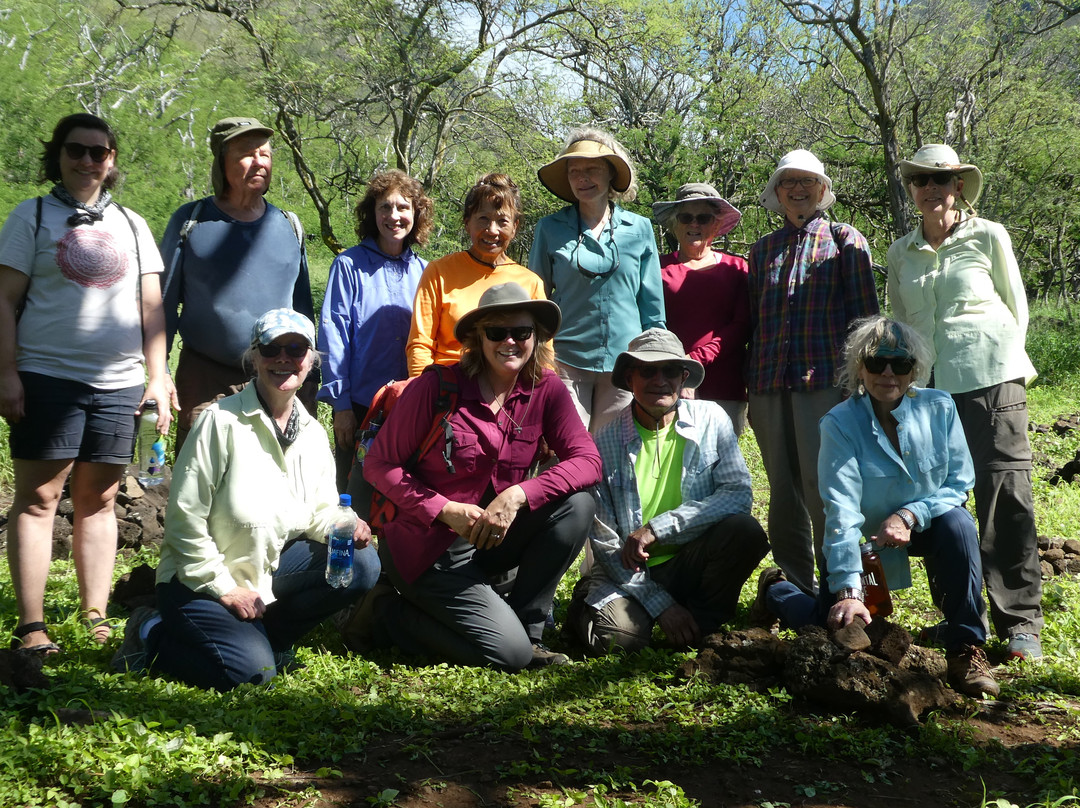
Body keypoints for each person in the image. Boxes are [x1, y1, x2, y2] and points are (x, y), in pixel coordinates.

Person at [112, 309, 379, 690]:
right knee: (252, 677)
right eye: (271, 348)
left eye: (296, 348)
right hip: (197, 580)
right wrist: (225, 588)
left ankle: (269, 640)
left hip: (265, 571)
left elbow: (320, 512)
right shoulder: (219, 422)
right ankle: (150, 631)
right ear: (254, 357)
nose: (283, 358)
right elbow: (183, 520)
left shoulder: (312, 433)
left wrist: (345, 525)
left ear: (311, 361)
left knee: (362, 562)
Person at [752, 316, 999, 698]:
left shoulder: (940, 408)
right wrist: (849, 590)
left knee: (959, 525)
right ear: (859, 368)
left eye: (900, 364)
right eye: (876, 362)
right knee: (833, 626)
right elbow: (841, 509)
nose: (888, 373)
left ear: (914, 370)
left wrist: (910, 514)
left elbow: (959, 483)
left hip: (923, 524)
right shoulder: (839, 423)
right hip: (861, 541)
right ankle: (776, 589)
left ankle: (967, 647)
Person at [0, 113, 174, 654]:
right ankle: (33, 626)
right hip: (46, 374)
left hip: (120, 383)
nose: (87, 161)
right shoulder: (30, 217)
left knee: (99, 498)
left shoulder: (134, 225)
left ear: (112, 161)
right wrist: (5, 372)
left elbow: (151, 309)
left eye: (99, 153)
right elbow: (5, 300)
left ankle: (95, 616)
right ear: (58, 154)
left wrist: (158, 376)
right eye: (76, 150)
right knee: (38, 498)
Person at [361, 283, 601, 670]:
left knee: (578, 504)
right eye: (496, 332)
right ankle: (386, 613)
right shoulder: (438, 386)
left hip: (493, 537)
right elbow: (379, 465)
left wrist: (521, 493)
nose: (510, 341)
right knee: (509, 655)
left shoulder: (546, 389)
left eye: (521, 332)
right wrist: (443, 509)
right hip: (427, 547)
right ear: (477, 338)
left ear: (535, 337)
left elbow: (588, 460)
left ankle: (528, 629)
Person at [887, 144, 1043, 660]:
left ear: (958, 186)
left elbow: (1015, 307)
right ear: (911, 190)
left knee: (1004, 493)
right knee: (939, 499)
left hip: (991, 378)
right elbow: (899, 324)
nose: (931, 188)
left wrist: (1003, 367)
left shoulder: (988, 235)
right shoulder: (900, 251)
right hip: (929, 391)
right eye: (921, 181)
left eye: (942, 179)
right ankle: (962, 616)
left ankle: (1019, 620)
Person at [566, 329, 769, 654]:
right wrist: (661, 605)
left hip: (692, 559)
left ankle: (703, 623)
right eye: (648, 370)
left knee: (745, 531)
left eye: (670, 370)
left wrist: (657, 529)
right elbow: (606, 543)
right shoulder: (604, 442)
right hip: (630, 572)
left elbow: (738, 495)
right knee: (621, 639)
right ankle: (590, 606)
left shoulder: (712, 419)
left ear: (683, 377)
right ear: (630, 378)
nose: (660, 380)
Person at [747, 149, 879, 595]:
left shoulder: (845, 240)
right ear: (777, 193)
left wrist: (861, 387)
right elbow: (755, 321)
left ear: (822, 190)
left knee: (825, 486)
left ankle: (842, 584)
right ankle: (798, 587)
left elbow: (866, 322)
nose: (798, 189)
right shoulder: (761, 250)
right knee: (782, 490)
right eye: (788, 182)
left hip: (824, 382)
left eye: (807, 181)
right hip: (767, 383)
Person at [160, 116, 317, 451]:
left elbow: (303, 312)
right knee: (203, 482)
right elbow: (163, 304)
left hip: (277, 378)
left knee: (276, 482)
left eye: (265, 153)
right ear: (221, 162)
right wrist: (159, 372)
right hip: (206, 379)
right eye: (247, 153)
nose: (259, 161)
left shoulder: (288, 226)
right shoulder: (192, 221)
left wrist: (310, 379)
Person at [530, 127, 665, 434]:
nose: (582, 178)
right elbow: (536, 298)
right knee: (564, 453)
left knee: (615, 453)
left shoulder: (640, 229)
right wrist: (538, 356)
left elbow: (652, 308)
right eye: (574, 172)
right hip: (564, 360)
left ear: (609, 175)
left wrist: (655, 361)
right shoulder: (550, 228)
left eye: (591, 169)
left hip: (625, 364)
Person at [318, 169, 433, 492]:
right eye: (385, 207)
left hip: (411, 410)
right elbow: (333, 335)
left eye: (403, 207)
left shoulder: (426, 273)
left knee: (403, 500)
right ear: (372, 212)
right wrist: (341, 407)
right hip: (358, 407)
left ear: (416, 213)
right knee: (354, 500)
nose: (394, 216)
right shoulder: (348, 265)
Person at [405, 173, 543, 376]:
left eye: (502, 221)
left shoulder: (530, 283)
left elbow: (543, 353)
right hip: (448, 389)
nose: (492, 230)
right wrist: (423, 392)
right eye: (483, 219)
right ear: (467, 222)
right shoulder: (439, 272)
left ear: (515, 227)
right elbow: (420, 344)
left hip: (508, 393)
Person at [652, 183, 750, 433]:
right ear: (675, 225)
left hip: (724, 384)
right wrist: (678, 368)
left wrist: (694, 361)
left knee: (721, 464)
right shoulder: (656, 268)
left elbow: (742, 326)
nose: (693, 224)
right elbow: (650, 324)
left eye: (703, 218)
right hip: (666, 383)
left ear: (716, 225)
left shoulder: (737, 269)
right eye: (686, 217)